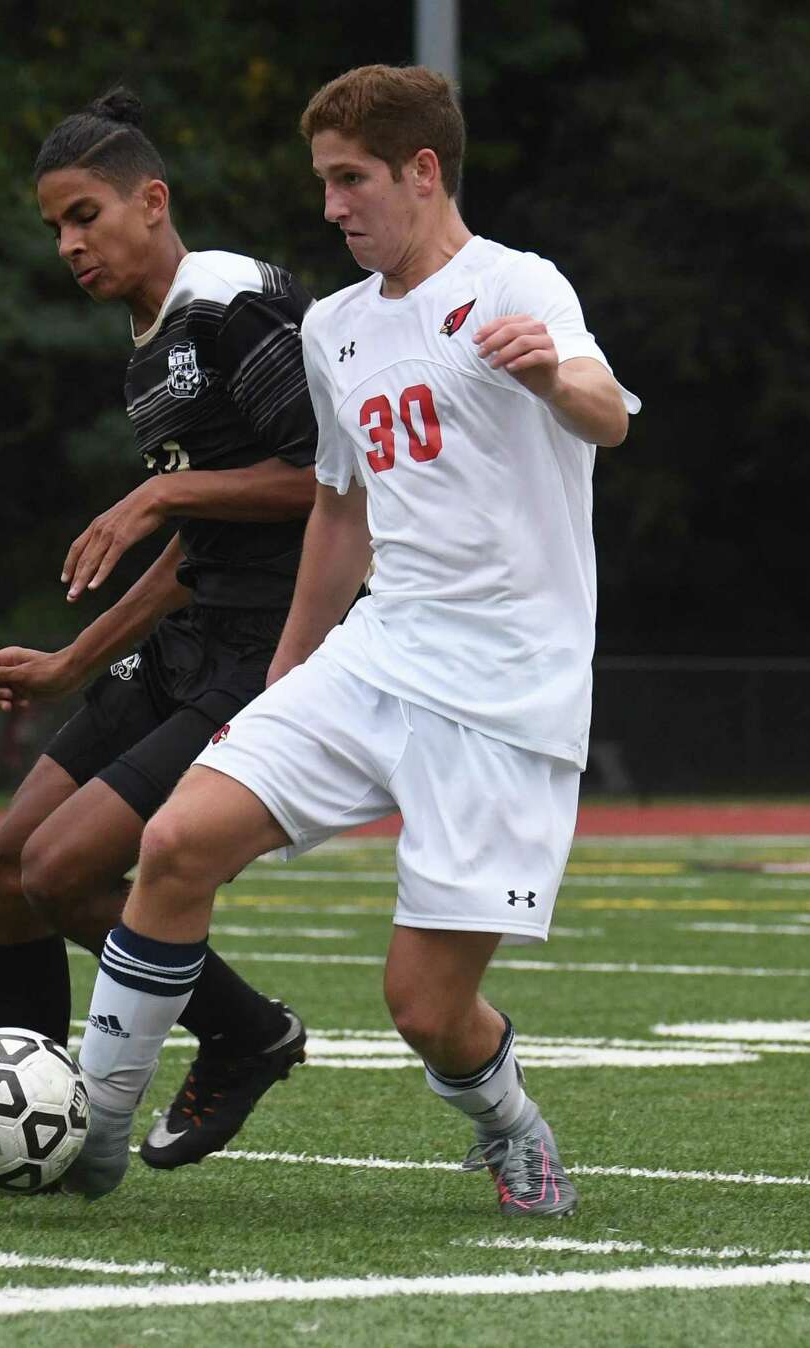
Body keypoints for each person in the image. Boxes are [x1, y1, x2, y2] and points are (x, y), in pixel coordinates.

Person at [69, 64, 640, 1217]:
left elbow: (608, 410)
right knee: (177, 843)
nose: (331, 207)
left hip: (506, 690)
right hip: (377, 655)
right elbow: (340, 509)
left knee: (426, 1007)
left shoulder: (515, 283)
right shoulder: (333, 327)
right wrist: (286, 680)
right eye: (324, 182)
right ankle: (88, 1136)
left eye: (351, 180)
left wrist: (552, 376)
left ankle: (512, 1128)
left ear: (422, 172)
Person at [0, 88, 320, 1197]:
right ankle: (30, 1136)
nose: (69, 244)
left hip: (266, 648)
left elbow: (332, 479)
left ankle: (249, 1033)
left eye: (85, 215)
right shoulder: (145, 352)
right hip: (190, 634)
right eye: (55, 226)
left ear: (154, 200)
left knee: (64, 870)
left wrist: (153, 503)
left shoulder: (235, 302)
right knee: (1, 870)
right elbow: (196, 541)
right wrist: (69, 662)